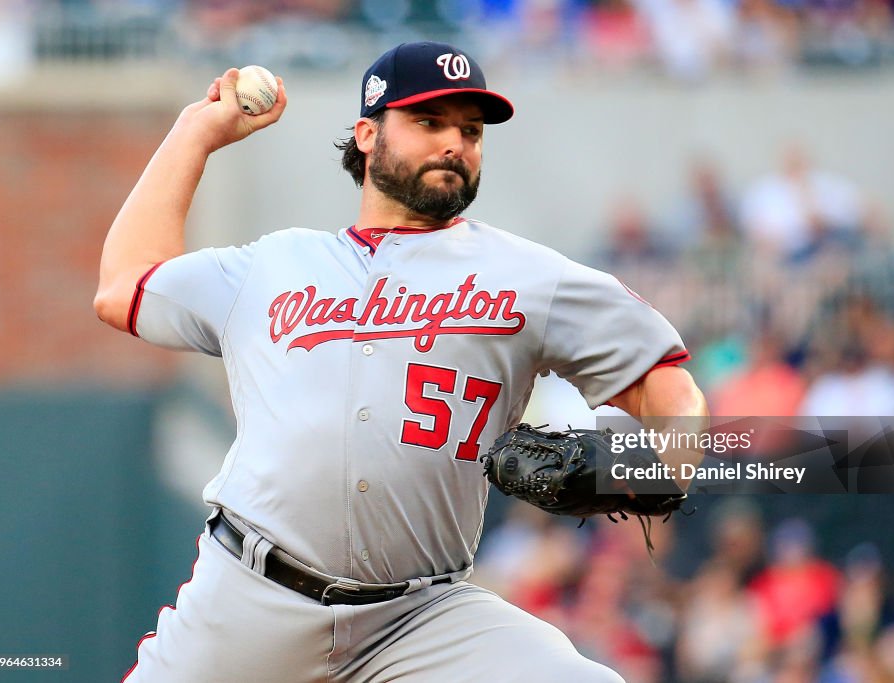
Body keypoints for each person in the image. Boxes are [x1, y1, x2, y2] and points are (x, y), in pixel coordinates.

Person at [93, 41, 707, 682]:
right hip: (249, 601)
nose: (454, 143)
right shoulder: (273, 267)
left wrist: (662, 465)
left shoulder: (532, 277)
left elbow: (666, 386)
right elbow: (123, 287)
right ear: (366, 134)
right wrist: (195, 133)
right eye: (428, 122)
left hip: (421, 619)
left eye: (470, 130)